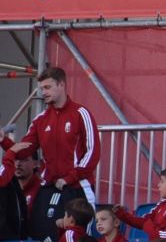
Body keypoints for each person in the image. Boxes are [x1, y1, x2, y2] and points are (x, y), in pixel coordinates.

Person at [8, 67, 99, 225]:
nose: (43, 92)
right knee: (42, 236)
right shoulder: (40, 119)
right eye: (42, 88)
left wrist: (70, 178)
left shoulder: (81, 113)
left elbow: (93, 152)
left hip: (78, 187)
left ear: (61, 85)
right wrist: (3, 141)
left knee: (78, 238)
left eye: (47, 87)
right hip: (50, 186)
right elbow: (23, 151)